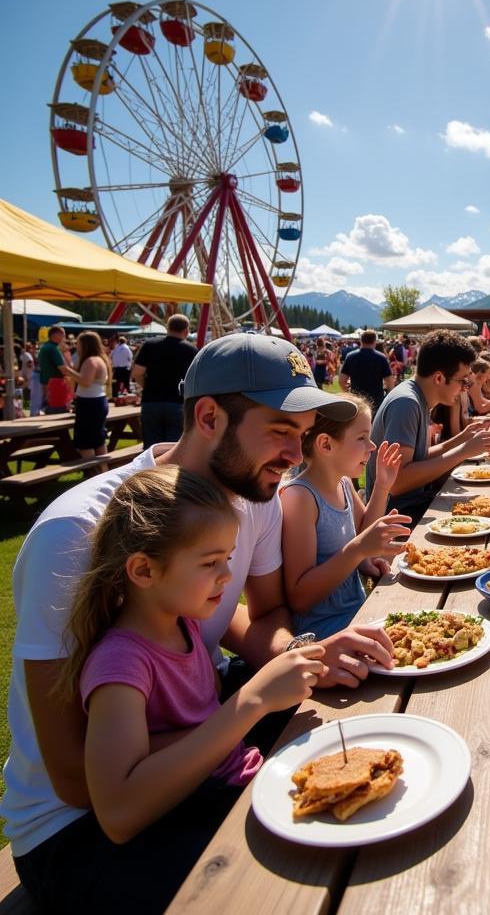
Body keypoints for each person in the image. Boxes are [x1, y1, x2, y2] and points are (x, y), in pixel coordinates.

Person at [1, 333, 396, 912]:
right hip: (74, 832)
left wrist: (305, 652)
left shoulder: (253, 500)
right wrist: (241, 712)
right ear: (209, 416)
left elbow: (257, 616)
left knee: (369, 755)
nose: (295, 454)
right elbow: (74, 776)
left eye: (304, 435)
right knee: (290, 884)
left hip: (196, 742)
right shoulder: (77, 532)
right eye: (281, 432)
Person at [48, 465, 324, 912]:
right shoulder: (121, 664)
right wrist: (251, 701)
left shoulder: (184, 623)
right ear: (143, 570)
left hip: (231, 781)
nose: (226, 574)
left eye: (228, 557)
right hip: (192, 816)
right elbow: (118, 812)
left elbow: (187, 729)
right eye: (210, 562)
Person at [281, 397, 409, 637]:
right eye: (361, 438)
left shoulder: (343, 484)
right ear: (326, 445)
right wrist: (358, 552)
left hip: (357, 613)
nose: (371, 446)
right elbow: (300, 597)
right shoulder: (300, 498)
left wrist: (382, 487)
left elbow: (363, 533)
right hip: (324, 631)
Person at [364, 329, 490, 526]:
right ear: (439, 378)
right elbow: (397, 481)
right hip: (398, 518)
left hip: (412, 507)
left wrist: (461, 438)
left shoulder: (415, 397)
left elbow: (417, 459)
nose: (465, 388)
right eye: (462, 381)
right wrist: (463, 451)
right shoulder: (406, 403)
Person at [131, 314, 198, 449]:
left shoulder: (149, 345)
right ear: (186, 330)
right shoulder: (191, 350)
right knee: (173, 449)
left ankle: (151, 470)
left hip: (151, 401)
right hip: (177, 403)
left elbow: (137, 372)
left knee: (151, 450)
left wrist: (147, 386)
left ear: (167, 328)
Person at [61, 330, 111, 460]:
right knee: (98, 440)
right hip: (97, 401)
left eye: (78, 343)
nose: (76, 346)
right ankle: (102, 471)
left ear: (85, 345)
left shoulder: (90, 361)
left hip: (89, 404)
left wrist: (69, 372)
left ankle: (91, 473)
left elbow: (85, 381)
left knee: (85, 442)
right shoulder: (100, 359)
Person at [339, 330, 395, 413]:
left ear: (361, 340)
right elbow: (390, 382)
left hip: (357, 400)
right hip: (376, 400)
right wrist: (388, 397)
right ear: (374, 341)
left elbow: (341, 381)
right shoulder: (381, 358)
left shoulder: (351, 357)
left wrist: (349, 393)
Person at [38, 325, 72, 414]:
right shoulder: (53, 348)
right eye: (63, 335)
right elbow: (63, 368)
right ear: (56, 335)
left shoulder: (46, 346)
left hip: (47, 381)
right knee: (58, 410)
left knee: (50, 406)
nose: (65, 338)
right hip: (55, 384)